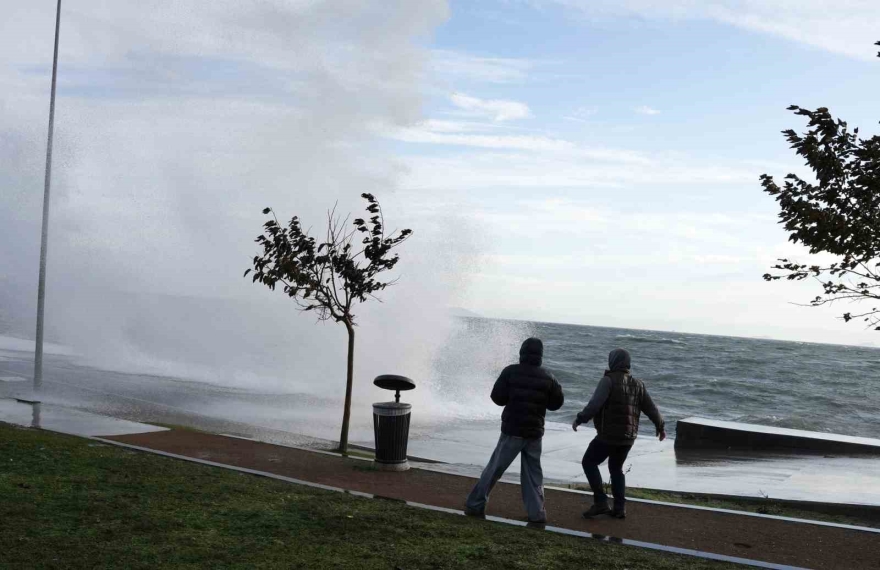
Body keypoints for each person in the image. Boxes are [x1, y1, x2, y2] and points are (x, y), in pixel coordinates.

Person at [465, 337, 564, 526]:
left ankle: (475, 504)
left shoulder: (510, 371)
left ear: (522, 353)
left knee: (495, 469)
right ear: (540, 356)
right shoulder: (549, 377)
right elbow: (556, 404)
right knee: (533, 475)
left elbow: (497, 397)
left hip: (512, 430)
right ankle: (537, 514)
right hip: (535, 433)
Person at [572, 348, 665, 519]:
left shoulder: (607, 381)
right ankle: (619, 508)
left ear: (612, 362)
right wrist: (660, 426)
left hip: (608, 435)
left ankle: (600, 502)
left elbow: (594, 405)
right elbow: (651, 409)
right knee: (616, 469)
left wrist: (580, 419)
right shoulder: (638, 384)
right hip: (628, 438)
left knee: (589, 462)